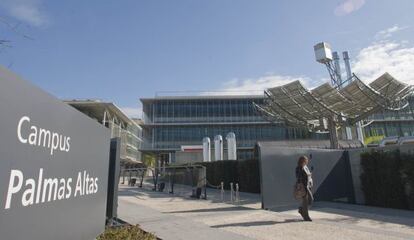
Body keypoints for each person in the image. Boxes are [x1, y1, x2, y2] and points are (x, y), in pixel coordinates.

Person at [295, 155, 314, 221]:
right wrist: (306, 174)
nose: (307, 162)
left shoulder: (305, 167)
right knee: (305, 202)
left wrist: (309, 175)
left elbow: (307, 175)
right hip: (302, 186)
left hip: (307, 186)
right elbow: (298, 176)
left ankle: (301, 210)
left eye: (307, 161)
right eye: (306, 161)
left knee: (310, 200)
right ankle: (306, 216)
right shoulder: (298, 168)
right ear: (302, 161)